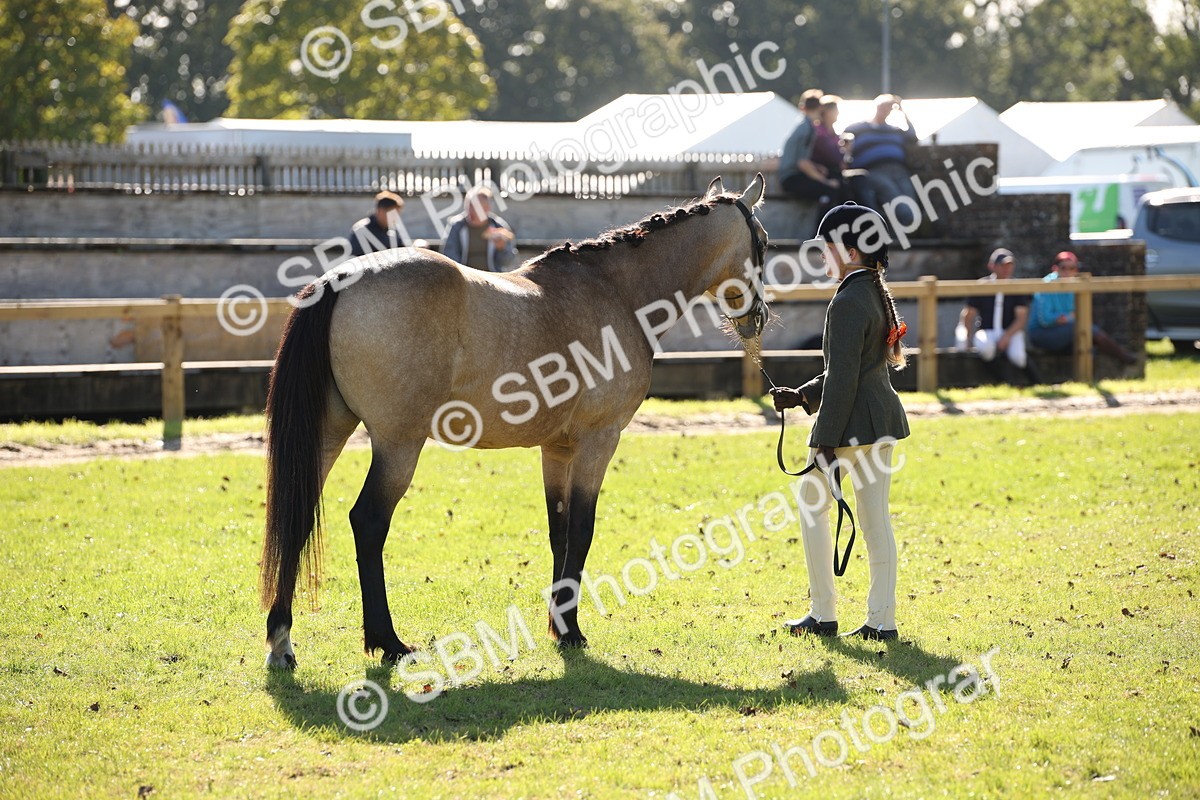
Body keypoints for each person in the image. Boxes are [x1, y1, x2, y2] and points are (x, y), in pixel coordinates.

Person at [770, 201, 911, 642]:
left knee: (811, 504)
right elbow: (850, 370)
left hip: (851, 427)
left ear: (851, 251)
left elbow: (845, 378)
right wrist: (803, 395)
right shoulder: (871, 291)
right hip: (881, 423)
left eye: (826, 247)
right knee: (875, 523)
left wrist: (824, 441)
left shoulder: (848, 300)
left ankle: (823, 613)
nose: (821, 255)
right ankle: (881, 621)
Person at [1028, 251, 1137, 366]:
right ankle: (1125, 358)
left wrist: (1065, 318)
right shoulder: (1047, 284)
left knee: (1087, 342)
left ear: (1076, 270)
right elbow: (1045, 320)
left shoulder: (1075, 284)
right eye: (1063, 268)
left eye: (1072, 268)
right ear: (1055, 269)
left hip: (1064, 331)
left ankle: (1118, 364)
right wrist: (1065, 318)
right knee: (1086, 329)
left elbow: (1076, 314)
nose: (1067, 272)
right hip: (1041, 334)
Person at [956, 248, 1038, 384]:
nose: (1007, 269)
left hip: (1011, 330)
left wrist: (1007, 336)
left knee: (1018, 357)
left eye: (1009, 265)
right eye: (1002, 265)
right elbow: (969, 314)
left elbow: (1021, 317)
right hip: (988, 330)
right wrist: (968, 337)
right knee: (985, 349)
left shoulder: (1017, 287)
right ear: (992, 266)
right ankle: (1004, 381)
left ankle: (1037, 382)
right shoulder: (982, 285)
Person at [844, 95, 920, 225]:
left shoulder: (895, 130)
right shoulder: (858, 128)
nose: (885, 110)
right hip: (874, 171)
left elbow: (913, 137)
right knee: (898, 203)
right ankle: (901, 225)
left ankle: (904, 226)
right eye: (882, 106)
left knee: (911, 202)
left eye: (888, 107)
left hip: (899, 170)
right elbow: (843, 142)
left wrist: (903, 112)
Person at [778, 89, 844, 223]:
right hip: (791, 178)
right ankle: (822, 230)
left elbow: (800, 158)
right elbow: (802, 163)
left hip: (791, 176)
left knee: (831, 187)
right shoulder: (807, 128)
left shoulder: (804, 125)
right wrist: (825, 182)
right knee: (830, 191)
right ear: (820, 108)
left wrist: (816, 167)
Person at [442, 185, 517, 272]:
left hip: (491, 275)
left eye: (476, 207)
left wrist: (501, 249)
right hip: (465, 275)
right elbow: (449, 256)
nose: (471, 210)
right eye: (469, 206)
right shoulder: (457, 225)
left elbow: (508, 263)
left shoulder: (498, 226)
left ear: (487, 209)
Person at [349, 191, 409, 257]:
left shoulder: (394, 229)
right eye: (393, 214)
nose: (396, 218)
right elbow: (357, 258)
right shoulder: (360, 230)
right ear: (381, 211)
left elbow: (403, 250)